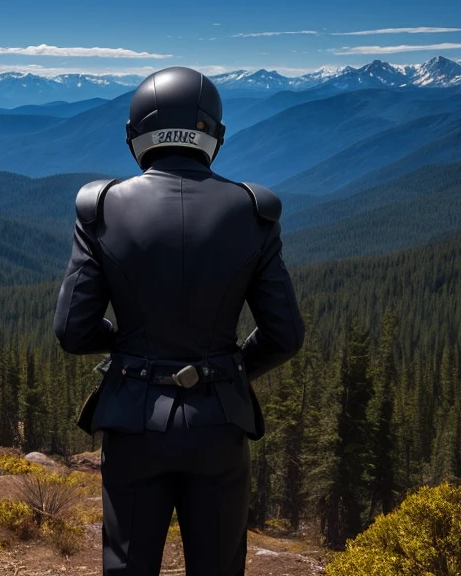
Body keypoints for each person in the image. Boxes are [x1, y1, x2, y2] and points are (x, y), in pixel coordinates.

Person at [53, 66, 305, 575]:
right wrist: (229, 370)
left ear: (134, 136)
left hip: (133, 420)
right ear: (216, 134)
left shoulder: (101, 208)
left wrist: (126, 346)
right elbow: (285, 334)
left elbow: (73, 331)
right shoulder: (254, 211)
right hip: (220, 422)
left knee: (127, 564)